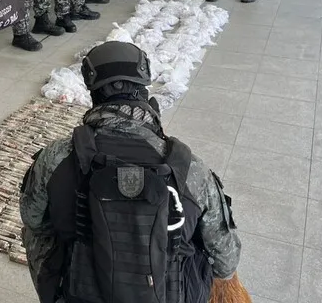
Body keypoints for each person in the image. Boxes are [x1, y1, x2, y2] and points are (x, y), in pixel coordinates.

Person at [19, 41, 243, 303]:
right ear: (143, 90)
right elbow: (226, 262)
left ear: (93, 93)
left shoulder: (56, 157)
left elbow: (33, 219)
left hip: (78, 293)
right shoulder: (190, 168)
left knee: (35, 234)